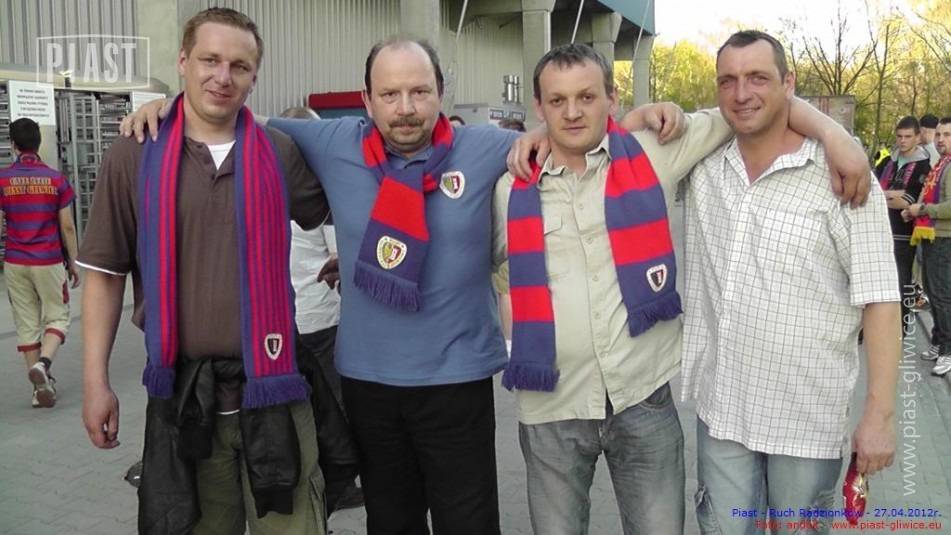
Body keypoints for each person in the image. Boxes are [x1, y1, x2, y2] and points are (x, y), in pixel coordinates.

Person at [122, 37, 871, 535]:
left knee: (476, 522)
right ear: (368, 99)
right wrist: (168, 105)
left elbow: (744, 109)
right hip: (432, 390)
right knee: (392, 521)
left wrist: (835, 134)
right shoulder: (355, 145)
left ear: (440, 93)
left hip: (554, 388)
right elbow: (233, 118)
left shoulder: (524, 151)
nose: (406, 107)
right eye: (391, 93)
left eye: (420, 91)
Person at [491, 42, 871, 535]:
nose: (572, 112)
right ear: (538, 108)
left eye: (586, 97)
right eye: (557, 101)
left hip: (642, 399)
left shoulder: (655, 152)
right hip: (550, 408)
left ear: (612, 97)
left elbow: (748, 107)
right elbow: (487, 271)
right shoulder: (510, 188)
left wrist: (834, 133)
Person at [78, 8, 330, 534]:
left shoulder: (279, 151)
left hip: (275, 392)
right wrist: (95, 382)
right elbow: (104, 274)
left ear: (254, 77)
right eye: (209, 60)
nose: (222, 77)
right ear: (183, 61)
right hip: (185, 399)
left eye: (239, 66)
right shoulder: (135, 152)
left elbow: (346, 194)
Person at [681, 30, 900, 535]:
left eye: (758, 77)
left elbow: (882, 300)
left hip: (805, 417)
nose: (742, 93)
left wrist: (880, 415)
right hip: (723, 408)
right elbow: (614, 133)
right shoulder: (705, 164)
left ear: (789, 83)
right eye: (728, 81)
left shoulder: (842, 177)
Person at [0, 117, 80, 408]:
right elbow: (67, 226)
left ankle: (38, 390)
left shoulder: (2, 179)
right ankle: (43, 365)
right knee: (58, 317)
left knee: (27, 323)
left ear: (13, 145)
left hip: (15, 262)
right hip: (48, 261)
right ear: (39, 143)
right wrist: (74, 262)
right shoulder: (56, 179)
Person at [904, 116, 951, 375]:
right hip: (933, 236)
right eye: (939, 134)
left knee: (942, 297)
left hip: (945, 238)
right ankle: (939, 341)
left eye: (947, 135)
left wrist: (921, 209)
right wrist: (914, 211)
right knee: (934, 294)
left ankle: (948, 350)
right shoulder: (941, 164)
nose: (941, 139)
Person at [875, 116, 931, 329]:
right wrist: (892, 195)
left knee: (902, 282)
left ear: (917, 137)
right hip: (881, 230)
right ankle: (880, 327)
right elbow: (873, 192)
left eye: (908, 136)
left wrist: (888, 196)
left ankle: (902, 327)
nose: (903, 141)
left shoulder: (923, 166)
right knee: (879, 282)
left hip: (904, 233)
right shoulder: (888, 162)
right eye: (899, 136)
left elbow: (906, 201)